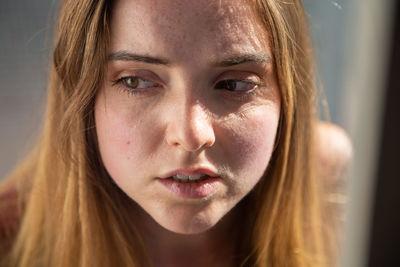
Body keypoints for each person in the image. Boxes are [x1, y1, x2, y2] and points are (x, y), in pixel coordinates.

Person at [0, 0, 352, 266]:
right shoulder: (9, 241)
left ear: (288, 94)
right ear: (81, 95)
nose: (191, 134)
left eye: (234, 83)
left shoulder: (336, 185)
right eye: (136, 82)